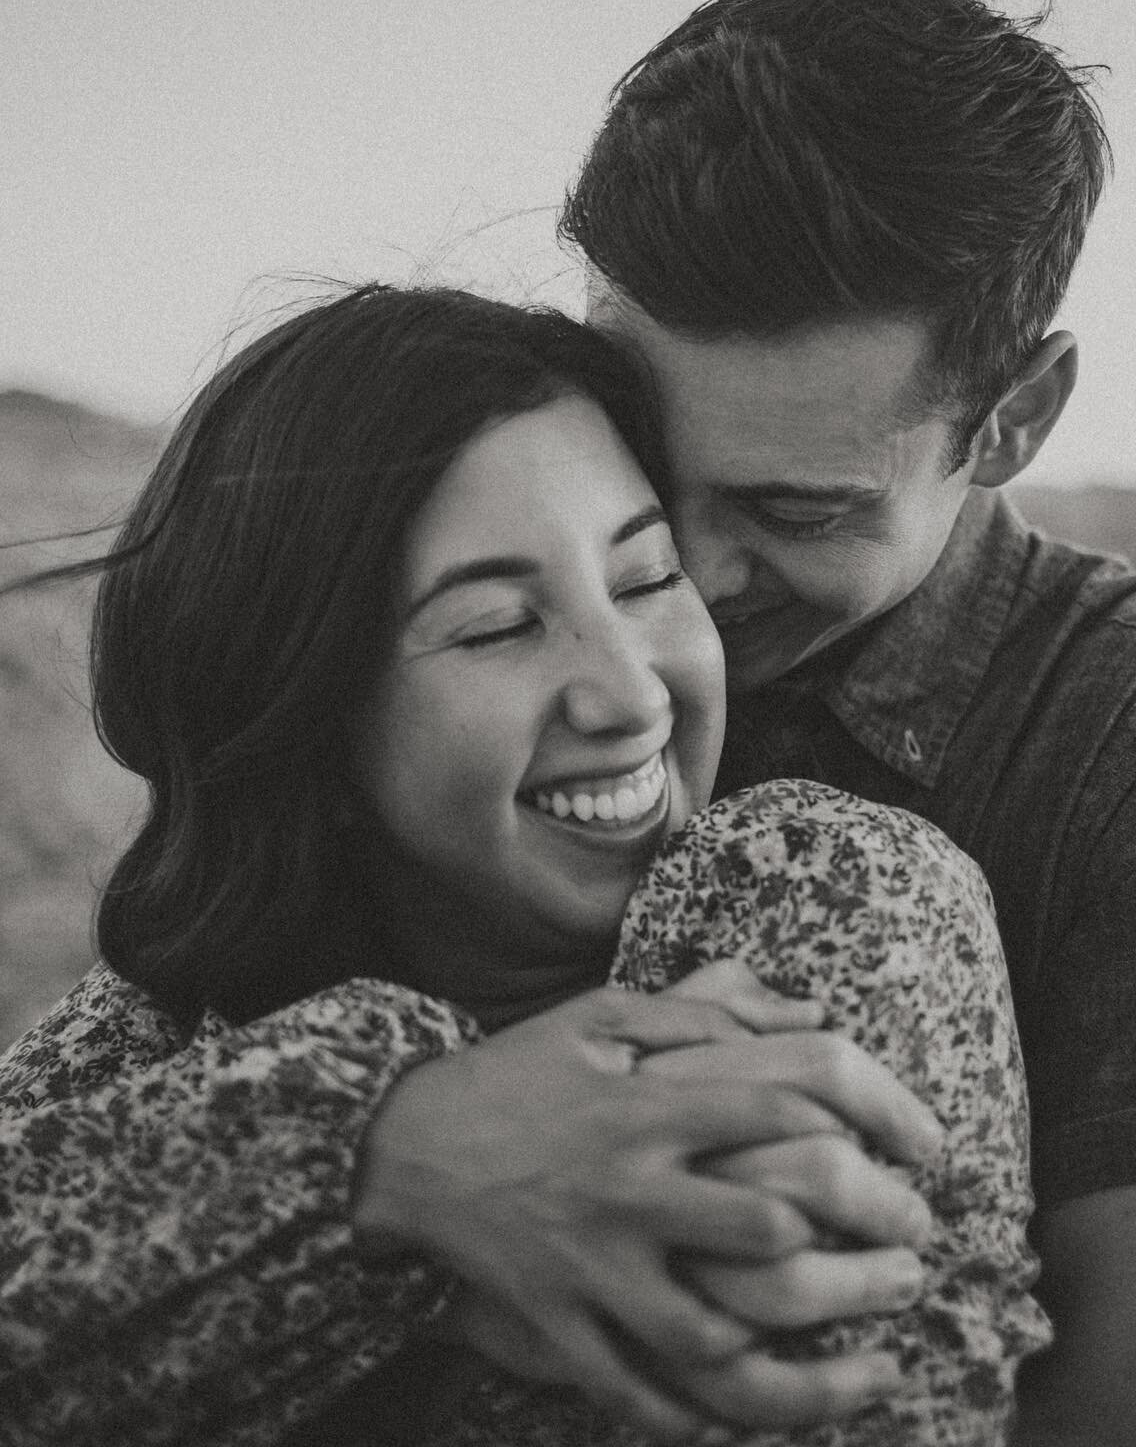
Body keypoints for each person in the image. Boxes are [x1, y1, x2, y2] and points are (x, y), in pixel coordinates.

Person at [554, 0, 1136, 1445]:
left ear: (1013, 418)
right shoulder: (431, 580)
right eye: (634, 451)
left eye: (796, 511)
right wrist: (381, 1148)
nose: (679, 569)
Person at [0, 284, 1048, 1446]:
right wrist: (383, 1145)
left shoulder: (824, 886)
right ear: (313, 719)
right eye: (499, 625)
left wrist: (337, 1261)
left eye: (648, 580)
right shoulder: (159, 1027)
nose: (632, 694)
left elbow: (817, 1391)